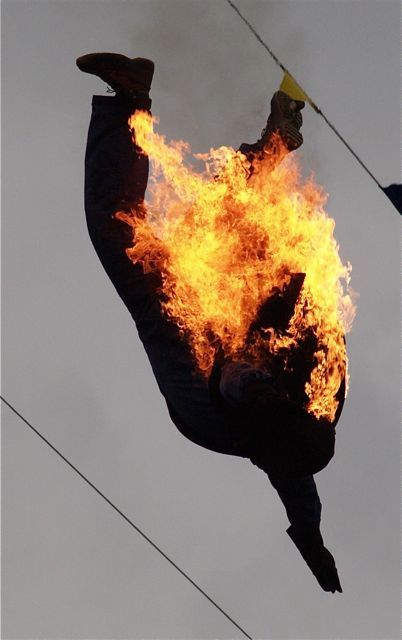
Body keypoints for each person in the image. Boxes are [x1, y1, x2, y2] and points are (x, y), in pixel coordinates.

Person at [77, 52, 344, 593]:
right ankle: (277, 136)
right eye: (275, 394)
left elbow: (160, 318)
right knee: (233, 212)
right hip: (265, 312)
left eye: (260, 397)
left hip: (193, 334)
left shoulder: (210, 412)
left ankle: (130, 99)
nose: (266, 391)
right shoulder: (317, 393)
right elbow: (302, 490)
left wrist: (308, 539)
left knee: (120, 232)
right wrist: (311, 533)